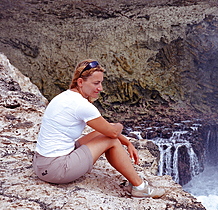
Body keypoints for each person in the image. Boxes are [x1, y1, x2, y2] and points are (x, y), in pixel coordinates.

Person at [33, 59, 165, 198]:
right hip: (56, 169)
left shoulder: (65, 96)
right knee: (111, 141)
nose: (100, 88)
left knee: (102, 134)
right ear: (80, 82)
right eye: (96, 83)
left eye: (101, 82)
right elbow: (113, 132)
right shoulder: (82, 105)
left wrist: (127, 143)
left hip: (41, 164)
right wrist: (120, 125)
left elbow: (103, 131)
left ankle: (137, 185)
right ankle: (140, 187)